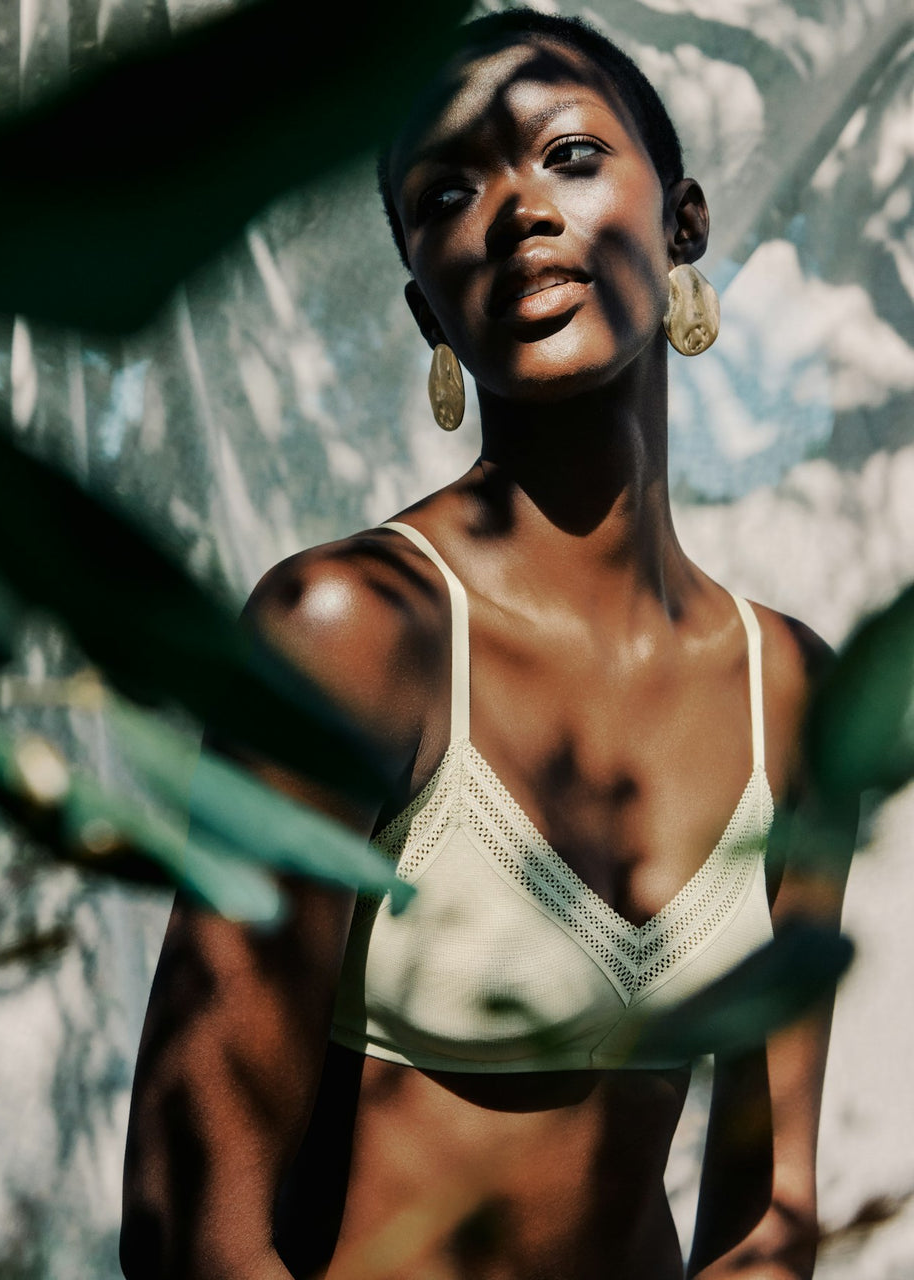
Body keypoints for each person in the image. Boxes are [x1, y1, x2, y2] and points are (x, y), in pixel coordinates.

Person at [121, 11, 853, 1279]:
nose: (517, 210)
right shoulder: (354, 629)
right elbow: (191, 1224)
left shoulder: (788, 692)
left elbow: (767, 1206)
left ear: (683, 221)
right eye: (449, 193)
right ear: (427, 308)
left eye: (569, 155)